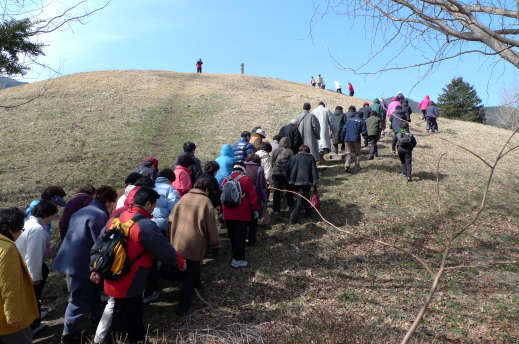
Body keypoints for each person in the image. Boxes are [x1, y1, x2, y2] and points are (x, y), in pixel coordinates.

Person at [90, 187, 186, 344]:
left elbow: (98, 245)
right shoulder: (145, 225)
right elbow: (164, 251)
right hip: (131, 280)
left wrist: (95, 267)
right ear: (148, 203)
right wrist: (180, 263)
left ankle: (136, 338)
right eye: (154, 205)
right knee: (126, 319)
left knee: (127, 314)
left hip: (112, 274)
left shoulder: (116, 217)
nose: (154, 209)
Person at [52, 186, 118, 344]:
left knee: (94, 291)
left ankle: (96, 317)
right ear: (107, 201)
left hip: (69, 258)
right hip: (83, 264)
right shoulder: (100, 215)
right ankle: (67, 333)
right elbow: (100, 243)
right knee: (78, 299)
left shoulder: (81, 211)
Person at [167, 177, 220, 315]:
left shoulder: (182, 199)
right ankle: (184, 306)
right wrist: (215, 244)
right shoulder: (206, 201)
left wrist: (170, 239)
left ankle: (198, 285)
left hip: (177, 242)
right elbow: (211, 227)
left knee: (191, 270)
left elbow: (170, 221)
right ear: (207, 189)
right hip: (194, 244)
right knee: (190, 272)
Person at [17, 200, 58, 335]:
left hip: (22, 267)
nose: (51, 220)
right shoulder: (37, 229)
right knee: (33, 297)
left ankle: (35, 317)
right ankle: (33, 325)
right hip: (30, 270)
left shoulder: (27, 223)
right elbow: (34, 255)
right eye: (51, 216)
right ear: (45, 215)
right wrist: (35, 277)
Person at [0, 207, 39, 344]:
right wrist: (13, 316)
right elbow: (9, 285)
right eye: (21, 230)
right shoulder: (7, 249)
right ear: (10, 229)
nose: (20, 234)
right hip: (5, 320)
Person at [221, 163, 259, 268]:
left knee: (232, 235)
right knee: (240, 236)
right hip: (242, 214)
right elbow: (252, 197)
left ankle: (234, 253)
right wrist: (256, 209)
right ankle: (238, 259)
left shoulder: (226, 179)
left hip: (228, 213)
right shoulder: (246, 179)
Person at [284, 145, 320, 224]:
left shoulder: (294, 158)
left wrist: (290, 180)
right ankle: (293, 219)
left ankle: (308, 213)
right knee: (300, 200)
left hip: (295, 182)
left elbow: (287, 170)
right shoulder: (311, 158)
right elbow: (314, 170)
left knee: (305, 196)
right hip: (306, 182)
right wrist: (315, 182)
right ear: (308, 151)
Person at [245, 154, 267, 246]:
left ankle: (244, 236)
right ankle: (252, 238)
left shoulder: (243, 167)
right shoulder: (259, 169)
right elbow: (262, 186)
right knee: (254, 217)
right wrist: (264, 199)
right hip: (254, 196)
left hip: (243, 196)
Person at [271, 137, 295, 216]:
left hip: (276, 173)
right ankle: (290, 205)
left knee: (276, 192)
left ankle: (276, 210)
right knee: (289, 190)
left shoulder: (275, 150)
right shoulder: (290, 151)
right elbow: (293, 163)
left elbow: (272, 162)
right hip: (286, 174)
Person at [151, 169, 180, 234]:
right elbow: (173, 207)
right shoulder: (170, 188)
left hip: (150, 222)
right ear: (170, 179)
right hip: (164, 224)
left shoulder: (151, 187)